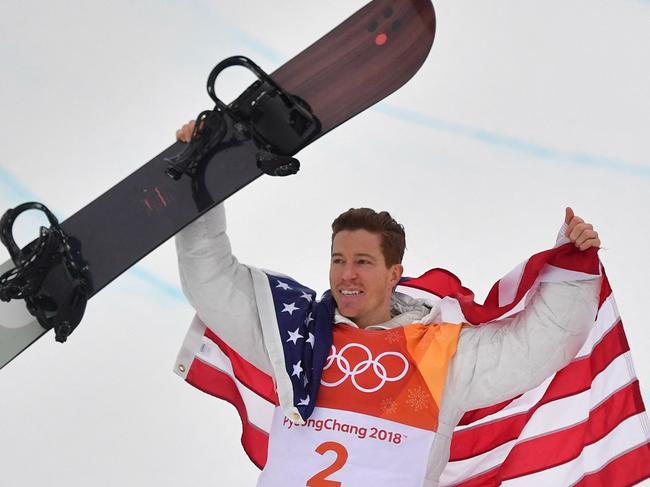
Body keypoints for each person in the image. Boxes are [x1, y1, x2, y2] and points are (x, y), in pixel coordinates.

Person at [173, 122, 602, 486]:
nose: (347, 274)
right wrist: (201, 177)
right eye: (338, 260)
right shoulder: (293, 335)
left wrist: (572, 266)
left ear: (394, 273)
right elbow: (211, 280)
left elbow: (541, 345)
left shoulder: (439, 354)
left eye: (363, 262)